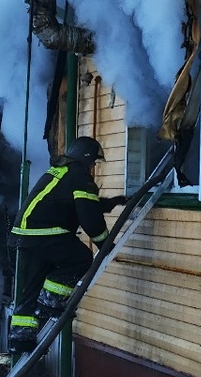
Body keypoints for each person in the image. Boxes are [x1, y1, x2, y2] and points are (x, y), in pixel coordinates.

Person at [8, 136, 126, 353]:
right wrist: (105, 245)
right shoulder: (80, 176)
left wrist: (110, 203)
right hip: (45, 232)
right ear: (86, 158)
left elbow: (73, 203)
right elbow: (89, 218)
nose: (93, 167)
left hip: (26, 234)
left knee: (31, 287)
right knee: (80, 258)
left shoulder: (61, 171)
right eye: (93, 162)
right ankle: (52, 302)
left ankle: (20, 339)